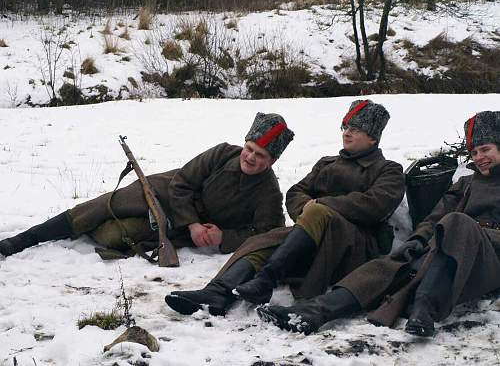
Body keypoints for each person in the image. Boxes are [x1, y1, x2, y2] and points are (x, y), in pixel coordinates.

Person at [257, 111, 500, 338]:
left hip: (489, 260)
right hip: (447, 251)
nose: (479, 158)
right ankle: (312, 312)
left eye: (485, 149)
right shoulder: (465, 184)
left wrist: (474, 233)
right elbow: (434, 219)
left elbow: (455, 222)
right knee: (385, 268)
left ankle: (425, 307)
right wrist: (416, 241)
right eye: (475, 152)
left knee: (458, 223)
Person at [165, 99, 405, 316]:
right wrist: (310, 209)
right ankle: (217, 292)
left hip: (351, 245)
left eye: (356, 129)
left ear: (373, 137)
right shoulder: (327, 163)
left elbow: (375, 205)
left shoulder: (388, 170)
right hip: (310, 237)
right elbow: (295, 193)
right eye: (346, 127)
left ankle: (266, 280)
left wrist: (320, 205)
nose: (347, 133)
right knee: (264, 241)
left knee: (316, 212)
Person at [0, 112, 294, 259]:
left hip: (176, 227)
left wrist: (223, 237)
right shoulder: (222, 153)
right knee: (100, 207)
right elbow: (182, 183)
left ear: (271, 162)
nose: (250, 158)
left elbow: (265, 234)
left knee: (114, 236)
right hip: (166, 191)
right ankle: (21, 241)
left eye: (261, 155)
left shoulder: (269, 193)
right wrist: (192, 224)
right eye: (249, 148)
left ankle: (87, 230)